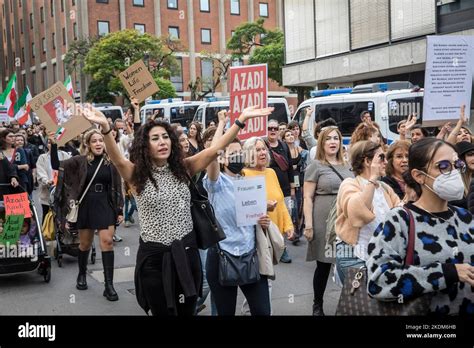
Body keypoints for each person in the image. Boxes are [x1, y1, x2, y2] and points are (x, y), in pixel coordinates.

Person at [80, 104, 274, 316]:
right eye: (155, 138)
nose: (162, 142)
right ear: (145, 146)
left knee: (187, 311)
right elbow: (117, 158)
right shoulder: (137, 175)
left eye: (165, 137)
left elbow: (213, 150)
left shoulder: (185, 168)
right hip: (154, 260)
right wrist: (106, 128)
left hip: (187, 255)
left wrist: (240, 120)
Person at [367, 138, 474, 315]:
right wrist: (446, 273)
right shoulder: (399, 220)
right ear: (419, 176)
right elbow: (378, 281)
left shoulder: (465, 217)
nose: (454, 172)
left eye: (457, 165)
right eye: (444, 166)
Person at [203, 136, 272, 316]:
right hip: (222, 258)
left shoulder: (247, 183)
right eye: (233, 154)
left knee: (263, 311)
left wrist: (263, 221)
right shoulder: (215, 184)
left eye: (240, 153)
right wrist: (222, 127)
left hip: (250, 256)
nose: (238, 157)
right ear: (222, 158)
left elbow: (253, 219)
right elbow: (212, 160)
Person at [53, 129, 124, 301]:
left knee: (107, 242)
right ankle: (82, 274)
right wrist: (53, 144)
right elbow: (57, 165)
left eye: (101, 140)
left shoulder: (111, 161)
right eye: (95, 141)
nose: (99, 143)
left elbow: (117, 185)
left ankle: (109, 286)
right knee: (84, 244)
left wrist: (120, 209)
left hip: (106, 204)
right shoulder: (80, 161)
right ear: (88, 144)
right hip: (86, 205)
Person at [303, 126, 352, 316]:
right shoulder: (316, 166)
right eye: (328, 139)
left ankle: (351, 302)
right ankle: (318, 305)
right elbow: (307, 197)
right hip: (323, 219)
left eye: (336, 138)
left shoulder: (348, 165)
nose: (333, 142)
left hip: (346, 219)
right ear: (322, 143)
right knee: (323, 265)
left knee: (349, 263)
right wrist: (309, 225)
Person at [335, 141, 401, 283]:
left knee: (380, 302)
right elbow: (357, 214)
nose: (386, 162)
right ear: (367, 161)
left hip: (382, 256)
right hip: (353, 255)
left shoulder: (384, 188)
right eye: (381, 157)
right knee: (361, 302)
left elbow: (401, 213)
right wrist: (372, 178)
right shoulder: (349, 184)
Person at [265, 119, 296, 263]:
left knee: (284, 219)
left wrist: (293, 188)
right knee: (271, 220)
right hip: (268, 191)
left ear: (279, 130)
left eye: (275, 128)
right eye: (270, 128)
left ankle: (282, 248)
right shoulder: (263, 146)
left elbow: (290, 168)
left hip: (284, 190)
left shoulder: (283, 146)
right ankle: (270, 246)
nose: (272, 131)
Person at [36, 135, 71, 222]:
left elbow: (70, 169)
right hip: (48, 191)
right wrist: (47, 181)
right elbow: (41, 172)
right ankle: (46, 234)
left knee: (63, 215)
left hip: (63, 190)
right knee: (47, 214)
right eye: (49, 142)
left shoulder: (65, 155)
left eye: (53, 142)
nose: (51, 144)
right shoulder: (42, 157)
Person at [281, 129, 307, 244]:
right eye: (288, 135)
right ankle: (293, 232)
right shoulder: (284, 150)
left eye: (291, 134)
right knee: (293, 207)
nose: (291, 136)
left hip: (300, 180)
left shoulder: (299, 149)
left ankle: (299, 230)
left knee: (300, 205)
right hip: (289, 181)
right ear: (284, 139)